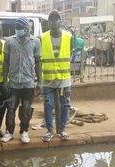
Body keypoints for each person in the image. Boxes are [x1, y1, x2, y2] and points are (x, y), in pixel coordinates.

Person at [0, 16, 42, 144]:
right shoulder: (10, 41)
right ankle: (9, 132)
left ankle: (24, 131)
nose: (17, 30)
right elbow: (6, 62)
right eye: (16, 27)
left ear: (26, 28)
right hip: (13, 82)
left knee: (26, 109)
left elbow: (38, 61)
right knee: (10, 107)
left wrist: (39, 81)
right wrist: (5, 80)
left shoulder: (35, 42)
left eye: (19, 28)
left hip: (28, 82)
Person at [40, 10, 73, 142]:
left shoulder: (68, 37)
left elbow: (69, 52)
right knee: (48, 105)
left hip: (64, 78)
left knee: (65, 104)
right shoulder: (42, 38)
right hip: (48, 79)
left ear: (60, 21)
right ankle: (49, 130)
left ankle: (62, 129)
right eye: (51, 19)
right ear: (48, 22)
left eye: (56, 18)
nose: (54, 21)